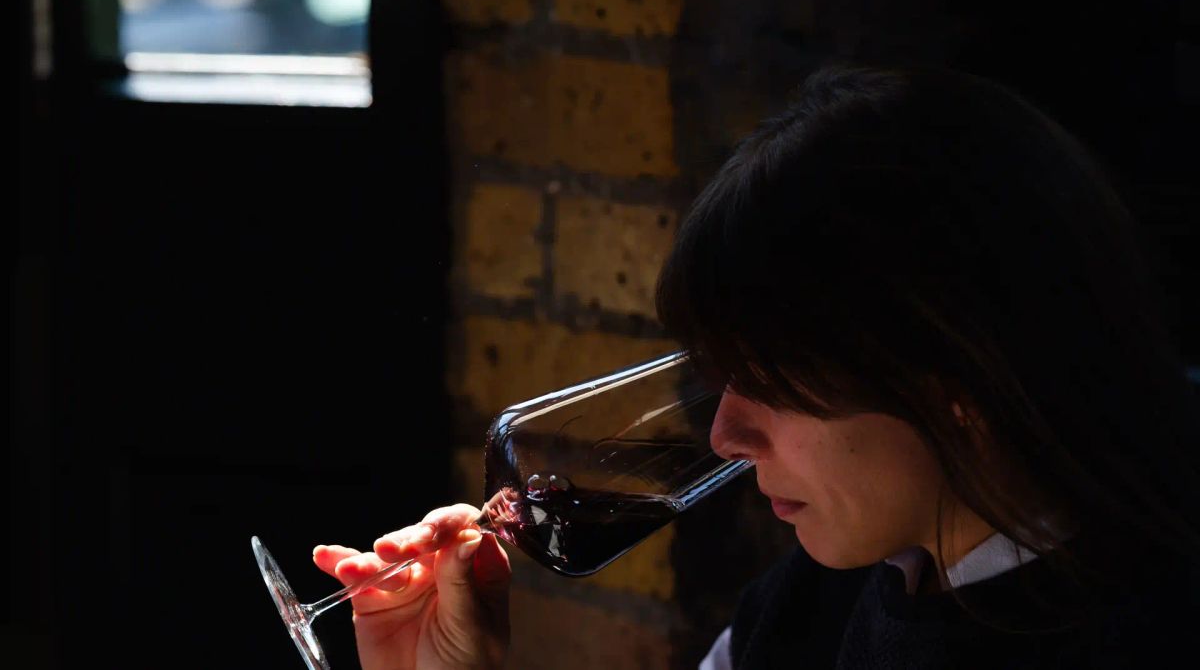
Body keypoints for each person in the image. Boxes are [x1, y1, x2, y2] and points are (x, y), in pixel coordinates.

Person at [312, 64, 1200, 669]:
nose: (727, 436)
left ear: (953, 383)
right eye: (722, 373)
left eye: (770, 381)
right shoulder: (829, 592)